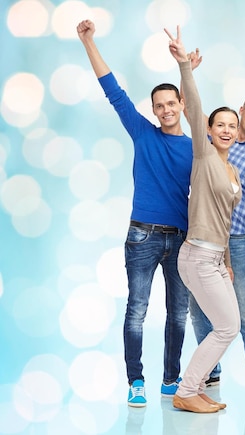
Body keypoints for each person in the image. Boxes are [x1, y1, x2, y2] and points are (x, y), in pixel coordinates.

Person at [77, 19, 192, 407]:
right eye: (158, 106)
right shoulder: (143, 133)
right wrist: (88, 41)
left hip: (181, 240)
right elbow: (113, 90)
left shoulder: (197, 148)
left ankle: (170, 380)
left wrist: (185, 68)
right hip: (142, 235)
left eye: (171, 104)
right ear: (153, 110)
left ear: (181, 106)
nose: (164, 111)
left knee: (178, 315)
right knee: (137, 312)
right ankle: (135, 381)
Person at [179, 52, 245, 397]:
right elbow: (190, 109)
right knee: (201, 312)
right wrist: (186, 70)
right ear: (239, 113)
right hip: (202, 241)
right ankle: (209, 373)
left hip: (234, 241)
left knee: (244, 310)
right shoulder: (209, 147)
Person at [166, 26, 242, 413]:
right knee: (227, 328)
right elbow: (193, 107)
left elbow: (225, 222)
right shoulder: (205, 156)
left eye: (233, 126)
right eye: (220, 125)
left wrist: (227, 263)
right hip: (196, 255)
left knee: (230, 327)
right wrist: (185, 66)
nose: (226, 131)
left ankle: (191, 388)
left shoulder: (232, 172)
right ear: (209, 131)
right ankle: (187, 391)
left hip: (215, 258)